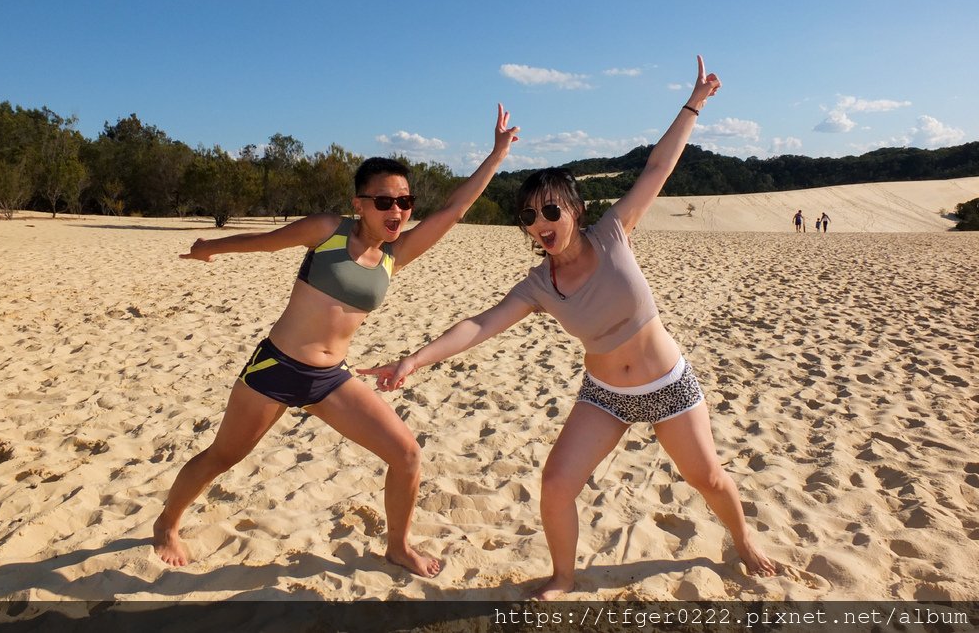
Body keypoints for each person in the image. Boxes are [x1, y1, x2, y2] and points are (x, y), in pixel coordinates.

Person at [362, 56, 775, 599]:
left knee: (709, 480)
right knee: (556, 485)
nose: (540, 226)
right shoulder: (540, 284)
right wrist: (414, 360)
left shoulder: (613, 235)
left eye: (550, 212)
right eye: (529, 218)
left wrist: (694, 103)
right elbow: (481, 324)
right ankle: (563, 576)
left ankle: (742, 539)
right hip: (604, 395)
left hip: (668, 386)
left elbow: (656, 168)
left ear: (574, 209)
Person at [152, 105, 520, 576]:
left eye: (405, 203)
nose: (397, 211)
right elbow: (268, 241)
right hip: (276, 367)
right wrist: (210, 248)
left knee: (406, 454)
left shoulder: (395, 255)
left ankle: (398, 546)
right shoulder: (328, 231)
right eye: (384, 201)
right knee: (223, 456)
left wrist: (496, 153)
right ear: (359, 204)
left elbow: (455, 208)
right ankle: (167, 523)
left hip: (330, 379)